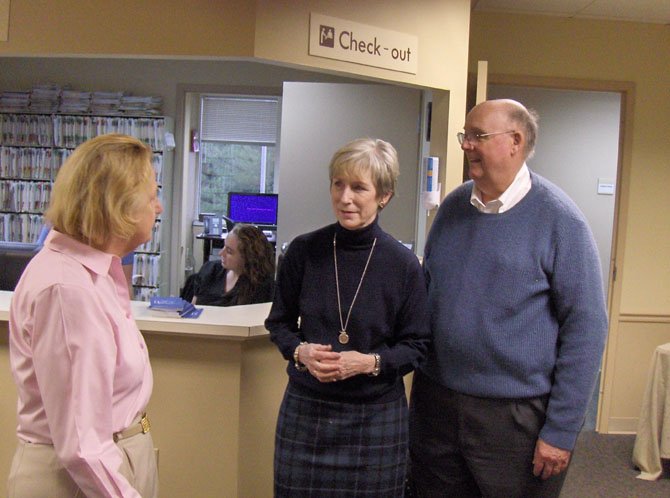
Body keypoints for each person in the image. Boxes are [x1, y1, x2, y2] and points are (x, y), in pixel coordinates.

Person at [408, 99, 609, 498]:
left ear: (515, 141)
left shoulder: (560, 220)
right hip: (436, 406)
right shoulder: (451, 209)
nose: (466, 145)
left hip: (515, 419)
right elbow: (428, 295)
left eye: (477, 136)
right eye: (465, 136)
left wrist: (562, 430)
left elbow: (586, 329)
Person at [265, 137, 430, 497]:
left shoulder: (403, 266)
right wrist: (300, 352)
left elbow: (418, 346)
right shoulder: (303, 251)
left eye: (359, 187)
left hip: (375, 418)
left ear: (383, 195)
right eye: (338, 184)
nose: (345, 198)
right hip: (307, 412)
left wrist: (369, 362)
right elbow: (278, 324)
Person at [8, 134, 162, 498]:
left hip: (112, 462)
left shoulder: (96, 274)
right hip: (78, 481)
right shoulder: (67, 289)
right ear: (119, 205)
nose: (158, 208)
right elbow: (82, 446)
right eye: (152, 197)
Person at [188, 223, 275, 306]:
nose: (221, 253)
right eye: (224, 246)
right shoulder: (210, 270)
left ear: (248, 257)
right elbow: (193, 309)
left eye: (229, 251)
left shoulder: (262, 286)